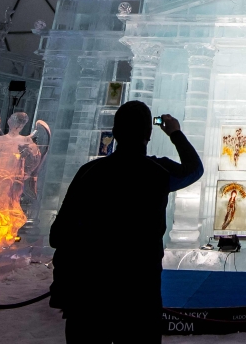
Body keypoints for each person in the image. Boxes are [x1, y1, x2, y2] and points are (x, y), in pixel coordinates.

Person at [49, 101, 203, 343]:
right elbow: (194, 170)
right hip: (138, 293)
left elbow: (58, 234)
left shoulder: (89, 172)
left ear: (116, 132)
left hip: (89, 293)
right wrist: (174, 132)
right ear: (148, 134)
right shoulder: (157, 172)